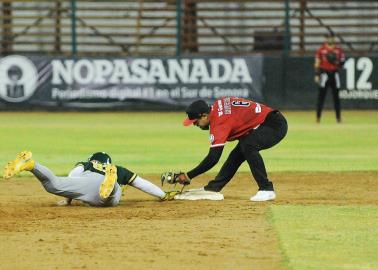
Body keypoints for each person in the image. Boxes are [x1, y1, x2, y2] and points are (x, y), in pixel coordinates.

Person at [163, 97, 288, 201]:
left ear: (205, 115)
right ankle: (214, 188)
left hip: (274, 125)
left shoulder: (219, 122)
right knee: (236, 155)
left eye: (195, 122)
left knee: (249, 146)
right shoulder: (217, 106)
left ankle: (266, 189)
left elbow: (213, 158)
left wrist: (188, 175)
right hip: (265, 122)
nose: (195, 125)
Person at [3, 151, 177, 207]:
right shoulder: (117, 169)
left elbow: (73, 176)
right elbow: (141, 183)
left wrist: (68, 199)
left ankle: (32, 165)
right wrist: (163, 195)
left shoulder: (85, 164)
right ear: (109, 162)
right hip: (107, 182)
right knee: (109, 198)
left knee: (54, 184)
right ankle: (110, 187)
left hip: (84, 182)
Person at [314, 32, 345, 123]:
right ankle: (318, 117)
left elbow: (342, 62)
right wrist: (317, 74)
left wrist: (336, 62)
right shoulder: (321, 50)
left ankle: (338, 118)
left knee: (336, 97)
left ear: (334, 38)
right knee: (321, 96)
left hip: (335, 74)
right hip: (324, 74)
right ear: (325, 39)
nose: (329, 39)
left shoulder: (338, 50)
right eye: (328, 37)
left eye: (331, 37)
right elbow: (317, 62)